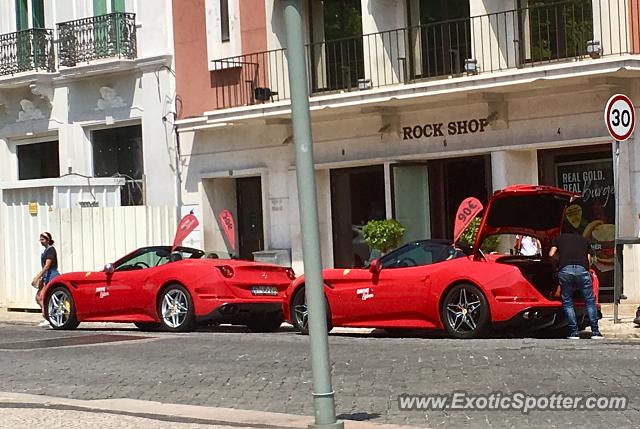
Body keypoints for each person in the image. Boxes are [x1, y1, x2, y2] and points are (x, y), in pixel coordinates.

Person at [549, 221, 603, 339]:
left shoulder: (558, 239)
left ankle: (574, 332)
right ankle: (595, 332)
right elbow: (588, 260)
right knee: (589, 301)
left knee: (568, 301)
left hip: (565, 270)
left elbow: (551, 254)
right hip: (582, 270)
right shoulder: (584, 240)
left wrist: (559, 261)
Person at [31, 232, 60, 327]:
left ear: (48, 240)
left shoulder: (51, 250)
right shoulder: (45, 251)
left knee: (44, 297)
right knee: (39, 297)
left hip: (52, 275)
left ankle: (51, 318)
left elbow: (47, 266)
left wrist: (37, 277)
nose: (41, 241)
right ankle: (47, 317)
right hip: (46, 276)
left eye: (43, 239)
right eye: (40, 239)